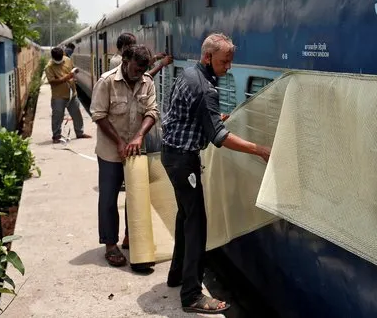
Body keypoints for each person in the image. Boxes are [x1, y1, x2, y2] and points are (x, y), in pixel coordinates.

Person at [161, 33, 271, 314]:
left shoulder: (188, 74)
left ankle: (176, 274)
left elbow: (189, 114)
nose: (228, 67)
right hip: (184, 162)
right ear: (207, 57)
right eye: (224, 62)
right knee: (196, 225)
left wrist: (210, 118)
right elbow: (219, 138)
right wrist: (259, 149)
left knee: (185, 216)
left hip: (171, 155)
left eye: (231, 62)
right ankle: (191, 296)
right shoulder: (204, 88)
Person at [90, 44, 160, 267]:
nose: (140, 74)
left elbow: (152, 112)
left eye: (144, 69)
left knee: (136, 195)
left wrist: (139, 136)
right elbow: (99, 115)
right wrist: (120, 142)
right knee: (109, 198)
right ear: (126, 61)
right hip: (111, 152)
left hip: (136, 151)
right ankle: (111, 245)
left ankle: (132, 237)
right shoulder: (107, 81)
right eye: (137, 69)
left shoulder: (147, 81)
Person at [44, 47, 92, 143]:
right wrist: (67, 77)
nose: (59, 61)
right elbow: (52, 81)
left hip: (71, 93)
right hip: (58, 96)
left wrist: (73, 75)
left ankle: (80, 132)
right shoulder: (49, 67)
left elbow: (71, 70)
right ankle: (56, 136)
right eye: (56, 60)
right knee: (57, 116)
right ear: (52, 58)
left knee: (77, 114)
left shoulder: (67, 60)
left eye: (60, 59)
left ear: (63, 55)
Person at [109, 32, 174, 75]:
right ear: (125, 47)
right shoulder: (120, 61)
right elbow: (141, 79)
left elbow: (139, 68)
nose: (134, 49)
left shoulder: (117, 59)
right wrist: (161, 64)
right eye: (133, 46)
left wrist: (155, 58)